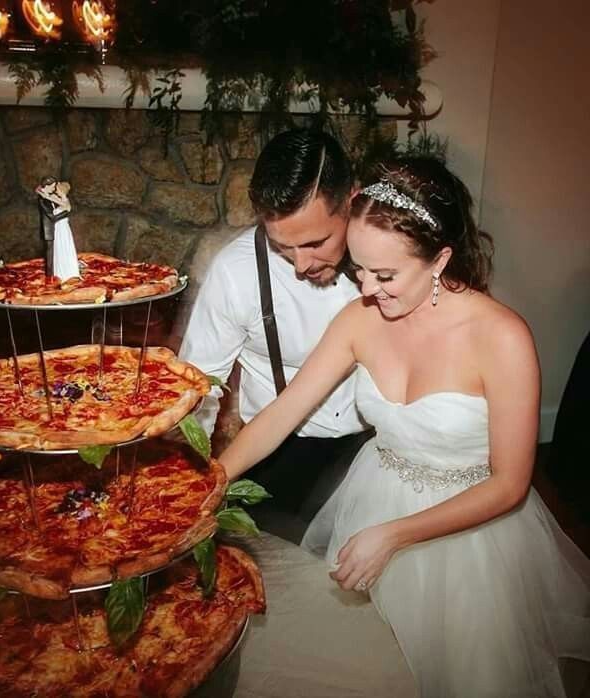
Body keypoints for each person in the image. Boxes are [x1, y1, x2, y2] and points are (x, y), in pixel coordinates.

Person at [220, 157, 590, 697]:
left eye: (386, 275)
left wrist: (394, 536)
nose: (367, 289)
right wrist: (209, 482)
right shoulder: (359, 319)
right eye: (359, 270)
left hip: (472, 530)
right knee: (372, 665)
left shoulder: (502, 337)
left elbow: (510, 485)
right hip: (377, 495)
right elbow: (281, 413)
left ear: (439, 259)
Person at [179, 129, 372, 536]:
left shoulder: (393, 268)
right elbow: (198, 386)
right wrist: (187, 474)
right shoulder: (236, 273)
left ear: (351, 202)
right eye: (283, 247)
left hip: (375, 452)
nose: (301, 265)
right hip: (276, 455)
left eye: (317, 242)